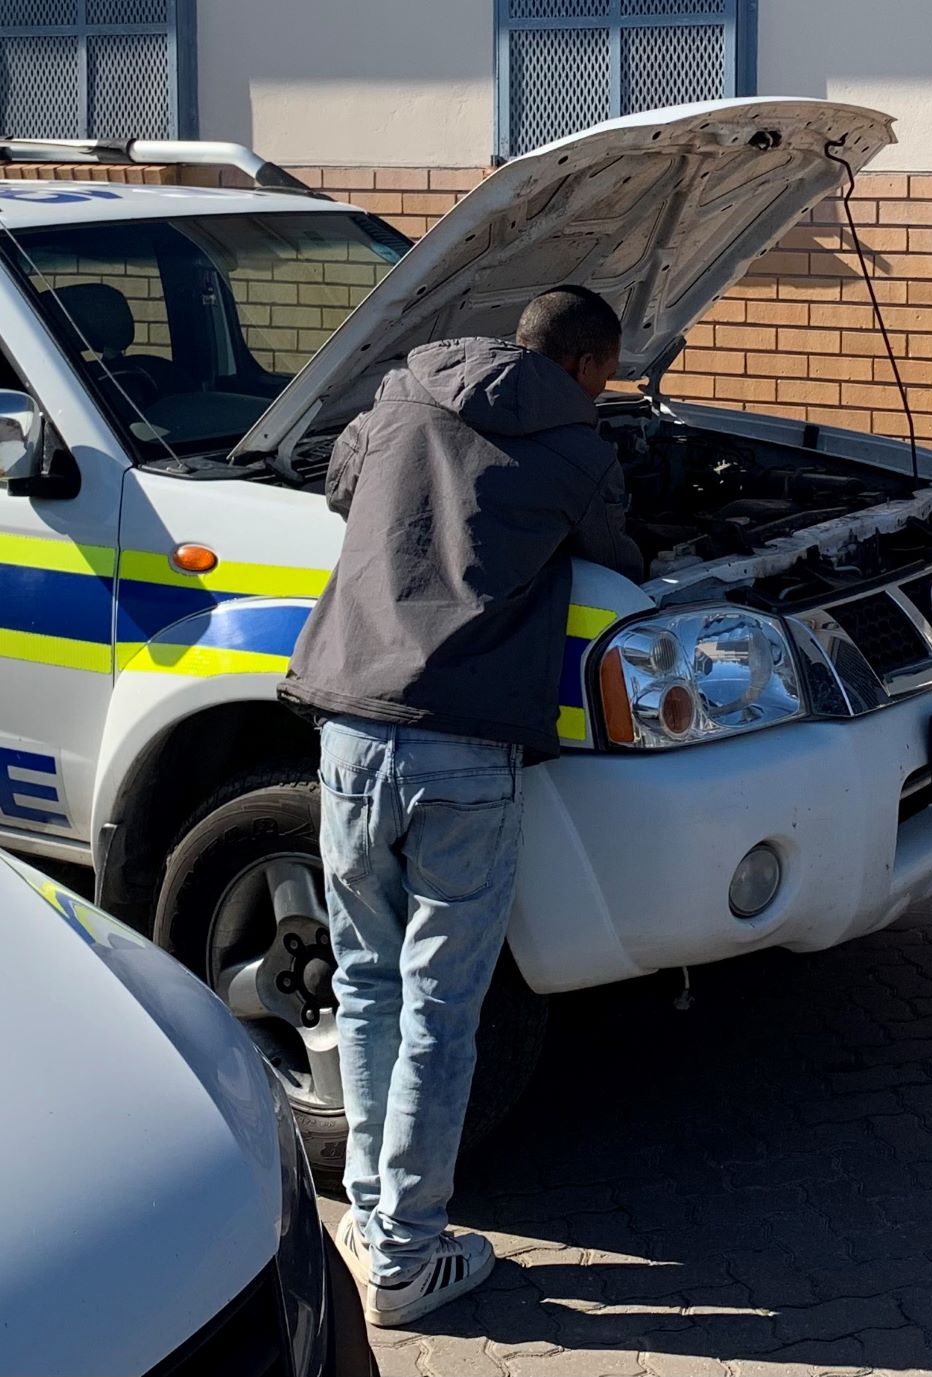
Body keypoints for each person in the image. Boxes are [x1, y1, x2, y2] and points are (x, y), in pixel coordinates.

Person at [278, 284, 643, 1329]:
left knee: (364, 982)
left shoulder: (399, 397)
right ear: (583, 366)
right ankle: (404, 1253)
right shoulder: (578, 453)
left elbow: (343, 486)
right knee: (441, 1005)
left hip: (349, 729)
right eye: (608, 374)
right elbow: (621, 561)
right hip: (464, 754)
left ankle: (371, 1217)